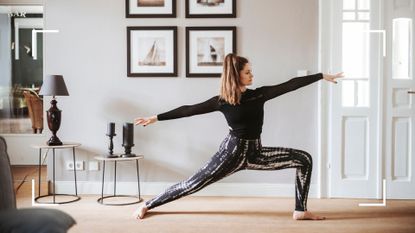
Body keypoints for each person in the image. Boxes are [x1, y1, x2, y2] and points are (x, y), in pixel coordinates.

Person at [133, 53, 343, 220]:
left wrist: (321, 76)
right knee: (191, 185)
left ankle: (300, 210)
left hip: (255, 153)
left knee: (303, 159)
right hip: (230, 155)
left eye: (251, 72)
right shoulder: (222, 101)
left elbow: (289, 85)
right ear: (236, 75)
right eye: (248, 72)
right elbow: (188, 110)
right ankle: (148, 204)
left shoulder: (258, 94)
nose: (252, 75)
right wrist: (156, 118)